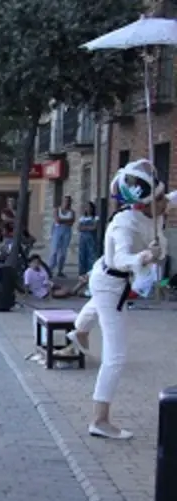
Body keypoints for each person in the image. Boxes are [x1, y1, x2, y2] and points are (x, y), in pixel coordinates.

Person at [69, 161, 166, 441]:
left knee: (93, 308)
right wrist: (144, 257)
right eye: (160, 198)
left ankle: (79, 331)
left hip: (106, 280)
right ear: (144, 203)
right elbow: (123, 258)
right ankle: (99, 419)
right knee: (116, 356)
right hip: (111, 284)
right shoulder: (123, 223)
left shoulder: (155, 209)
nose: (165, 203)